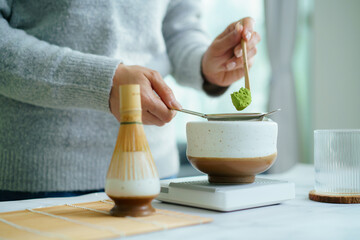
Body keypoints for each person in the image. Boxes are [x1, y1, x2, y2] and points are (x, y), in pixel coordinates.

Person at [0, 0, 260, 201]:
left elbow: (178, 28)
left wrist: (205, 65)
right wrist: (104, 82)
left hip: (154, 175)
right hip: (39, 179)